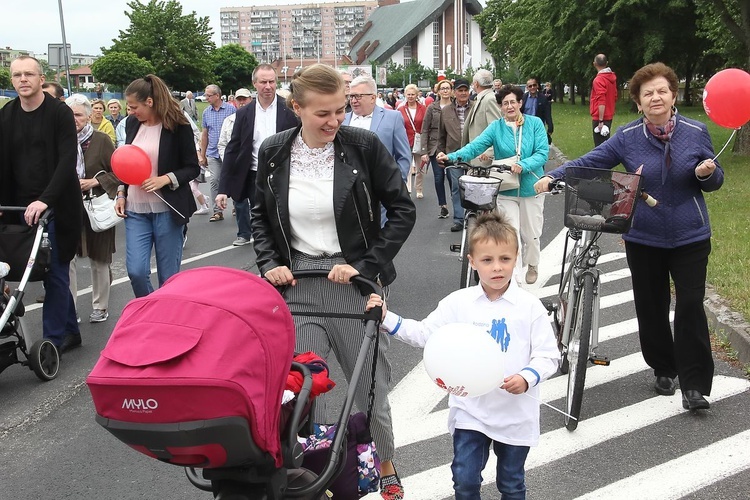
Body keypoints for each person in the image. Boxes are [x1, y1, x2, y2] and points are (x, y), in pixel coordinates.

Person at [251, 64, 416, 500]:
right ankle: (319, 472)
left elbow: (402, 210)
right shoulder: (273, 151)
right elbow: (260, 216)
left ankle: (385, 461)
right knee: (305, 388)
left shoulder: (362, 146)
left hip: (354, 282)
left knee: (369, 385)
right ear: (296, 108)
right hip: (298, 283)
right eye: (323, 113)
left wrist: (368, 267)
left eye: (341, 110)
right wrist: (269, 261)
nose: (334, 121)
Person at [535, 62, 722, 411]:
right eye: (647, 93)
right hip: (645, 237)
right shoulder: (628, 136)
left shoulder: (696, 132)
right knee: (650, 305)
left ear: (673, 95)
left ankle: (695, 385)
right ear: (638, 102)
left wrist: (706, 174)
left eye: (661, 90)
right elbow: (594, 161)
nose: (655, 97)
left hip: (690, 235)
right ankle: (664, 368)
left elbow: (715, 179)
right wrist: (554, 176)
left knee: (691, 306)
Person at [366, 211, 559, 500]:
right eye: (487, 260)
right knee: (465, 480)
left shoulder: (529, 307)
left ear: (516, 257)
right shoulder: (459, 303)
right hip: (471, 411)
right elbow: (424, 334)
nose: (497, 268)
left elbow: (548, 355)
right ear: (472, 261)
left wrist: (527, 377)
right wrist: (386, 318)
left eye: (505, 259)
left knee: (511, 483)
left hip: (515, 413)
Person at [0, 55, 82, 353]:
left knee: (55, 272)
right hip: (18, 208)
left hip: (56, 205)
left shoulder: (59, 113)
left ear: (40, 78)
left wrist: (45, 199)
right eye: (17, 75)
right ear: (12, 80)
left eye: (29, 74)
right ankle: (71, 330)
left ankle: (54, 339)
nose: (23, 79)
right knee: (19, 271)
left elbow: (66, 161)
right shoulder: (7, 115)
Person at [439, 85, 549, 285]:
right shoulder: (496, 127)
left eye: (512, 102)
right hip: (506, 188)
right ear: (500, 107)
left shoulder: (534, 124)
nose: (509, 106)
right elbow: (476, 146)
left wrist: (522, 165)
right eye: (505, 103)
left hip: (531, 187)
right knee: (511, 234)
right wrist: (452, 157)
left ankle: (532, 263)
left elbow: (542, 153)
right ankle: (513, 281)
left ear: (520, 103)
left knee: (531, 235)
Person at [115, 74, 200, 297]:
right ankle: (150, 308)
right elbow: (128, 161)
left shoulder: (178, 125)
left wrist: (166, 179)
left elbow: (192, 167)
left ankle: (166, 318)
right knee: (136, 271)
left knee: (169, 277)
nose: (130, 112)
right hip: (136, 209)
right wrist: (121, 192)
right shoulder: (133, 124)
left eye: (134, 107)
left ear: (149, 102)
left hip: (168, 210)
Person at [218, 64, 298, 246]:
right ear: (255, 84)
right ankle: (266, 263)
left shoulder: (290, 110)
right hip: (255, 176)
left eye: (271, 81)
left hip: (285, 174)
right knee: (261, 223)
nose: (268, 86)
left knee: (284, 220)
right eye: (263, 82)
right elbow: (233, 149)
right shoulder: (244, 113)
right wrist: (223, 188)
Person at [65, 94, 118, 323]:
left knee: (99, 258)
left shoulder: (102, 140)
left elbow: (119, 173)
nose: (73, 119)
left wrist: (94, 182)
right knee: (66, 259)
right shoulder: (60, 140)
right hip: (68, 207)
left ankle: (100, 306)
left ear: (88, 116)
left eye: (77, 114)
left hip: (97, 206)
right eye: (69, 114)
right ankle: (70, 309)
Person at [343, 74, 411, 186]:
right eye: (351, 96)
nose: (353, 101)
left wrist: (396, 183)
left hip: (383, 189)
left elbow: (403, 155)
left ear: (373, 98)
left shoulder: (393, 118)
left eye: (358, 96)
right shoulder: (342, 120)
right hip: (350, 190)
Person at [437, 78, 473, 232]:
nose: (463, 93)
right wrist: (441, 153)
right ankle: (459, 219)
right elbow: (441, 135)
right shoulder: (445, 111)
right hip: (453, 156)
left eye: (465, 90)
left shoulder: (475, 108)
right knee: (456, 188)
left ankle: (473, 217)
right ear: (454, 92)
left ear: (469, 91)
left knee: (473, 187)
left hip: (473, 154)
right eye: (460, 90)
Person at [199, 83, 236, 222]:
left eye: (209, 95)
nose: (206, 98)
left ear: (217, 96)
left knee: (232, 179)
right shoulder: (206, 112)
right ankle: (217, 211)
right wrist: (203, 154)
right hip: (213, 152)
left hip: (228, 151)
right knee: (214, 180)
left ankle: (236, 206)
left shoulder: (231, 109)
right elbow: (204, 134)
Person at [419, 79, 454, 219]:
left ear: (451, 91)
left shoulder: (456, 107)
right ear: (438, 91)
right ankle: (443, 206)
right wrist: (424, 151)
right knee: (439, 178)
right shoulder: (432, 108)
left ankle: (456, 204)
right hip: (435, 147)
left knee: (453, 178)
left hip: (452, 147)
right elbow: (425, 129)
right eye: (442, 88)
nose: (445, 90)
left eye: (448, 88)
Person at [463, 69, 503, 167]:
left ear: (476, 84)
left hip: (484, 161)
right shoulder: (483, 98)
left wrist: (489, 153)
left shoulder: (490, 99)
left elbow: (498, 129)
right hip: (477, 158)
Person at [399, 84, 428, 197]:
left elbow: (426, 126)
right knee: (405, 166)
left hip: (419, 141)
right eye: (408, 94)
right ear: (405, 95)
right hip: (405, 141)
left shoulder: (423, 109)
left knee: (420, 166)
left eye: (413, 94)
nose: (410, 97)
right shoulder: (401, 109)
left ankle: (419, 189)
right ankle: (407, 188)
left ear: (417, 95)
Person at [590, 53, 617, 147]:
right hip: (609, 115)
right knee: (606, 144)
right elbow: (615, 96)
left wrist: (600, 121)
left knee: (599, 147)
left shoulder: (598, 80)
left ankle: (603, 162)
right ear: (607, 63)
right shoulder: (611, 79)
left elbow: (601, 100)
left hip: (600, 117)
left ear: (594, 64)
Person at [522, 77, 553, 145]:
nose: (532, 87)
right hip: (525, 126)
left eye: (534, 85)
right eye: (530, 86)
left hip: (538, 126)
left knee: (537, 145)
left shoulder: (543, 98)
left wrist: (550, 127)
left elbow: (547, 114)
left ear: (537, 86)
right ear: (527, 87)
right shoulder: (523, 98)